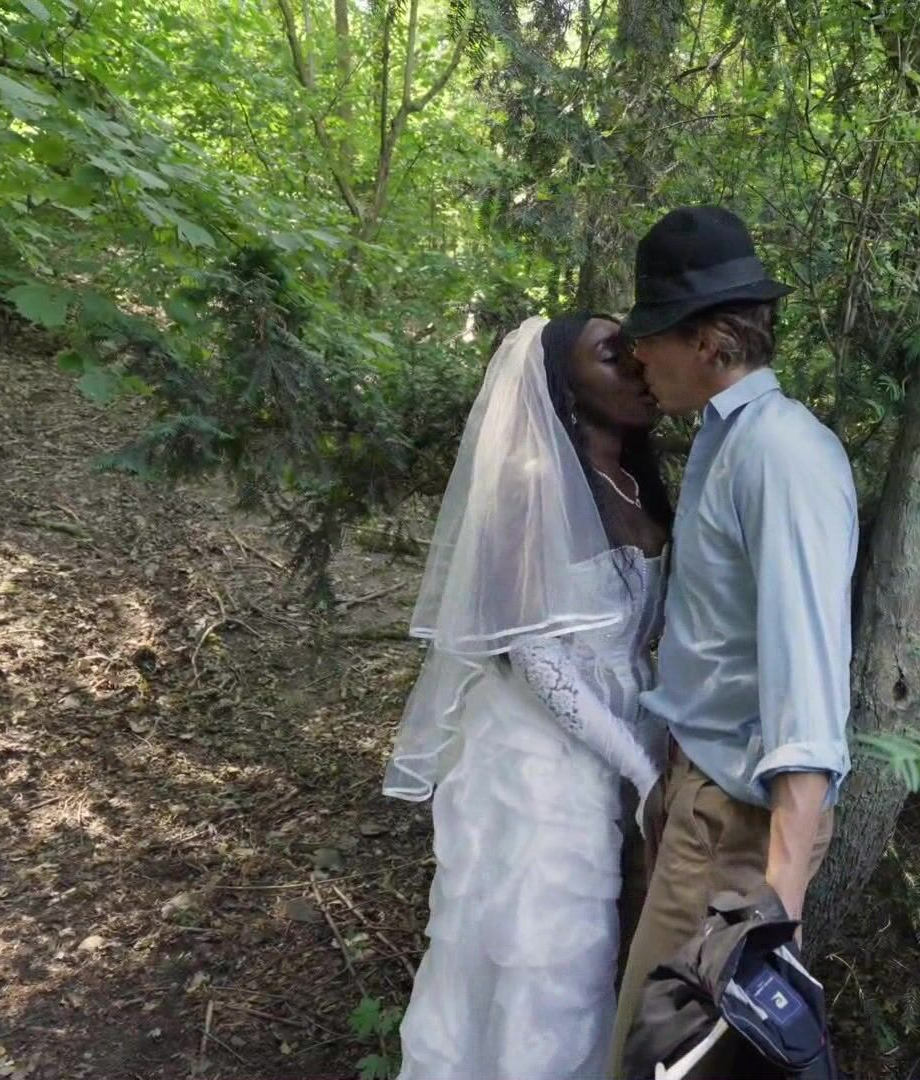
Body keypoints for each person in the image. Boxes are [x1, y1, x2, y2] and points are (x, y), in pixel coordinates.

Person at [382, 313, 674, 1080]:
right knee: (548, 958)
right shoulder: (530, 483)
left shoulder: (639, 481)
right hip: (537, 758)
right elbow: (536, 657)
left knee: (609, 953)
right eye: (611, 356)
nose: (636, 366)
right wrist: (640, 770)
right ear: (563, 387)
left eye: (635, 350)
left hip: (628, 732)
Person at [608, 206, 859, 1079]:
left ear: (711, 342)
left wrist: (771, 926)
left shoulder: (779, 456)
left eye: (651, 337)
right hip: (702, 803)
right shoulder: (729, 441)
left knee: (663, 1059)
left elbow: (807, 687)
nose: (638, 356)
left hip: (738, 831)